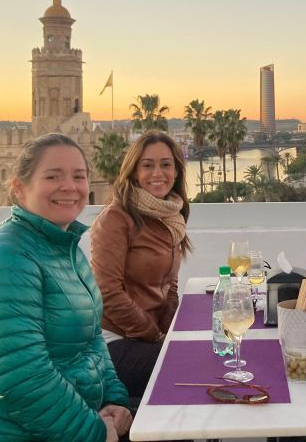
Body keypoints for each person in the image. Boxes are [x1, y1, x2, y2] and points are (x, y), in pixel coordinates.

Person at [0, 133, 131, 442]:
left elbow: (91, 340)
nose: (69, 186)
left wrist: (114, 400)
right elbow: (23, 379)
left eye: (79, 176)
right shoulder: (5, 258)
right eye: (53, 176)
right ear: (19, 188)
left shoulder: (65, 249)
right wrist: (94, 432)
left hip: (62, 427)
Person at [91, 131, 192, 406]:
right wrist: (155, 336)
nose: (157, 173)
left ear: (176, 171)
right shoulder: (116, 218)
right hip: (113, 339)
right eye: (147, 165)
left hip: (147, 335)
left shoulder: (171, 216)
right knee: (189, 370)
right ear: (134, 171)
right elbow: (108, 293)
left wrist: (170, 332)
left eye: (165, 164)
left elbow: (169, 286)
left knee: (205, 356)